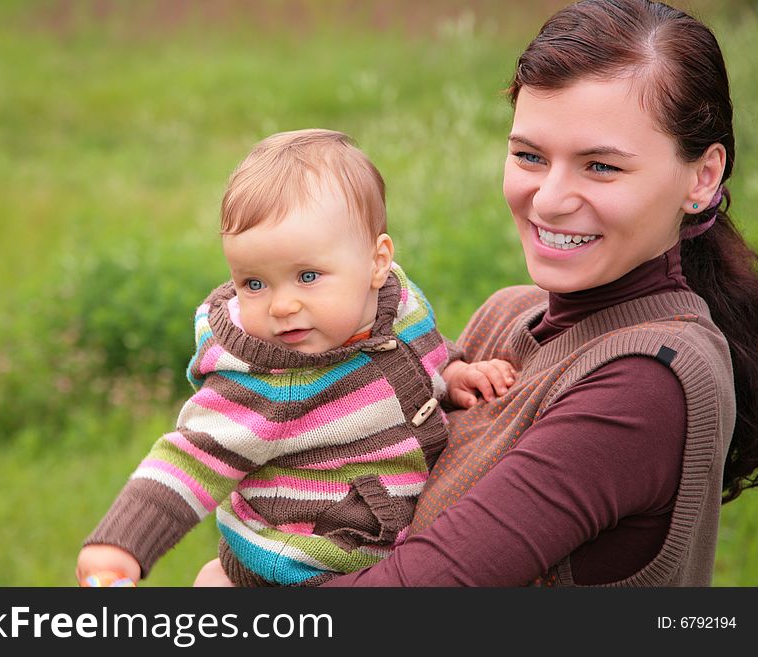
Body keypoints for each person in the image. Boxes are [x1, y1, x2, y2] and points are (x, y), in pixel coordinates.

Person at [195, 0, 758, 587]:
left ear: (702, 177)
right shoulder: (507, 315)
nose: (548, 199)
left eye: (600, 166)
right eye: (529, 156)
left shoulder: (646, 382)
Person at [76, 129, 515, 586]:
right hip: (302, 566)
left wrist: (452, 371)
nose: (281, 306)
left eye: (307, 276)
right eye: (254, 284)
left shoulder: (395, 297)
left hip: (377, 537)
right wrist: (121, 543)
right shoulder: (268, 382)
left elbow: (420, 344)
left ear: (376, 262)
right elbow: (191, 458)